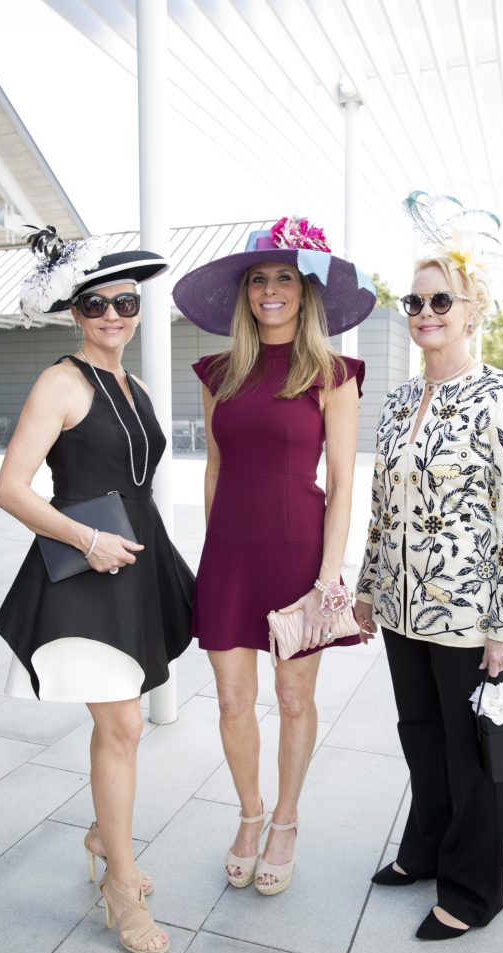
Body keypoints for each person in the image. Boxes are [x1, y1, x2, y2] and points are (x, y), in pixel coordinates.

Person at [0, 228, 194, 953]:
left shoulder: (134, 386)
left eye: (125, 303)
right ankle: (120, 880)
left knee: (123, 725)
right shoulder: (62, 381)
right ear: (75, 311)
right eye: (96, 303)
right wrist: (87, 540)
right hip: (86, 569)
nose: (112, 314)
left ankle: (104, 837)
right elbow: (11, 488)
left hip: (135, 563)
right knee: (124, 728)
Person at [354, 211, 503, 940]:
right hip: (402, 608)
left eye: (440, 300)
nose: (424, 312)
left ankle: (473, 890)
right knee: (422, 737)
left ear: (472, 311)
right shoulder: (399, 400)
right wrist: (368, 587)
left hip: (468, 614)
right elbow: (382, 504)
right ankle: (427, 848)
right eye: (414, 300)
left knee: (471, 754)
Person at [173, 216, 375, 895]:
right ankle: (249, 815)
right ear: (245, 293)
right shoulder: (218, 372)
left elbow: (342, 482)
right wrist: (215, 551)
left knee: (292, 698)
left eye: (284, 277)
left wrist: (329, 576)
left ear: (304, 289)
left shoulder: (333, 374)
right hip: (230, 554)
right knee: (233, 699)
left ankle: (286, 821)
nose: (269, 290)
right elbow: (213, 469)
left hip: (299, 555)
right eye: (258, 279)